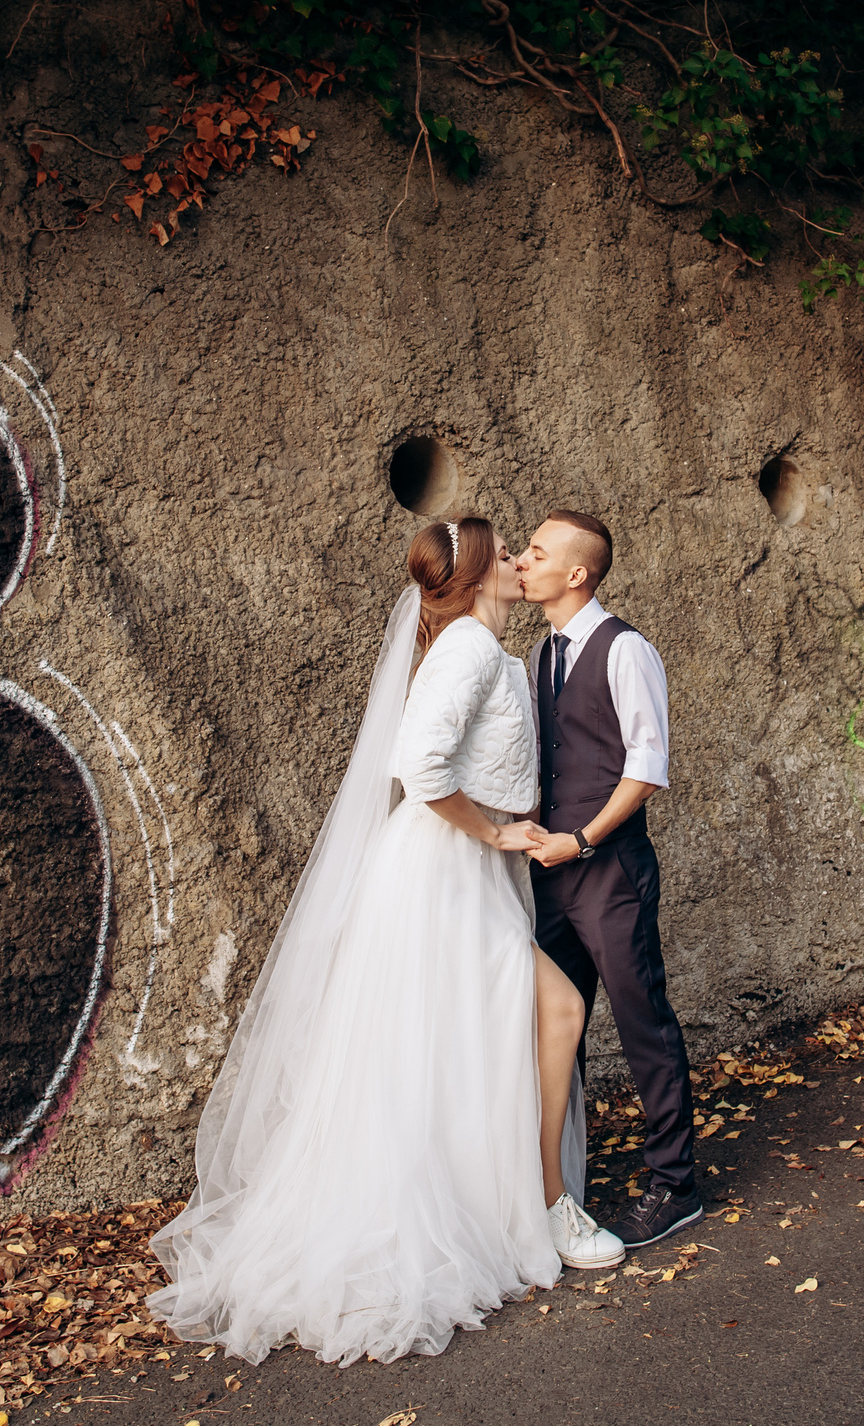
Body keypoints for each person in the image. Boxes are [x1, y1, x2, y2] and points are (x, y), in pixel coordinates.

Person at [149, 518, 622, 1368]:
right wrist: (492, 832)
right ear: (479, 573)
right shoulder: (470, 651)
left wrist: (513, 828)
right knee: (556, 1007)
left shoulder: (481, 646)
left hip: (465, 871)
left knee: (459, 1042)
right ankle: (544, 1201)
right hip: (443, 870)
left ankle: (509, 1200)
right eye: (506, 552)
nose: (518, 561)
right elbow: (422, 765)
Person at [515, 510, 703, 1248]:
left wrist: (583, 839)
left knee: (641, 1020)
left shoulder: (626, 651)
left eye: (535, 552)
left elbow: (646, 768)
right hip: (549, 874)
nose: (521, 562)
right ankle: (562, 1182)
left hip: (609, 870)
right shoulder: (540, 655)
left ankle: (675, 1182)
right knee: (556, 1028)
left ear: (575, 574)